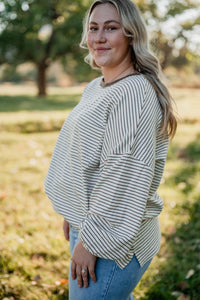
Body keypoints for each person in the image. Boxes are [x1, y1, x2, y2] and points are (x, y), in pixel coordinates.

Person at [44, 0, 177, 299]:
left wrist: (91, 243)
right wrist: (74, 206)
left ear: (130, 35)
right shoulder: (97, 87)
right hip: (93, 221)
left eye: (111, 28)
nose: (99, 37)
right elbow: (86, 157)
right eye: (93, 28)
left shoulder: (134, 93)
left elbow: (122, 175)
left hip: (115, 239)